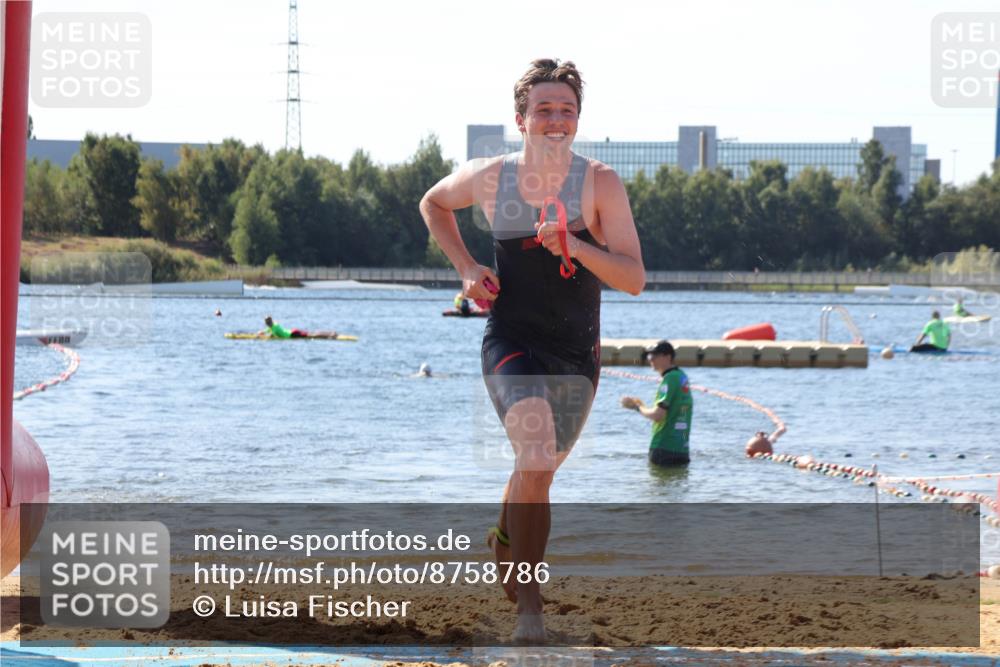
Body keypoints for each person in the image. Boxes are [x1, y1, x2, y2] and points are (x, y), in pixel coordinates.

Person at [420, 58, 644, 643]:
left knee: (536, 473)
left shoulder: (600, 184)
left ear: (577, 120)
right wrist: (467, 267)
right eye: (543, 109)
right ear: (520, 119)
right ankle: (530, 608)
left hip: (577, 354)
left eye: (566, 110)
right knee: (537, 455)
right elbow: (433, 204)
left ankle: (501, 535)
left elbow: (634, 278)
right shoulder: (491, 177)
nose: (556, 119)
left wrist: (574, 242)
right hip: (511, 340)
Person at [620, 341, 693, 466]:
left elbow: (658, 415)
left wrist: (636, 407)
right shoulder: (682, 376)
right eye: (649, 356)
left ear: (668, 357)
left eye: (654, 356)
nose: (650, 359)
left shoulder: (669, 379)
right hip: (682, 450)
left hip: (663, 448)